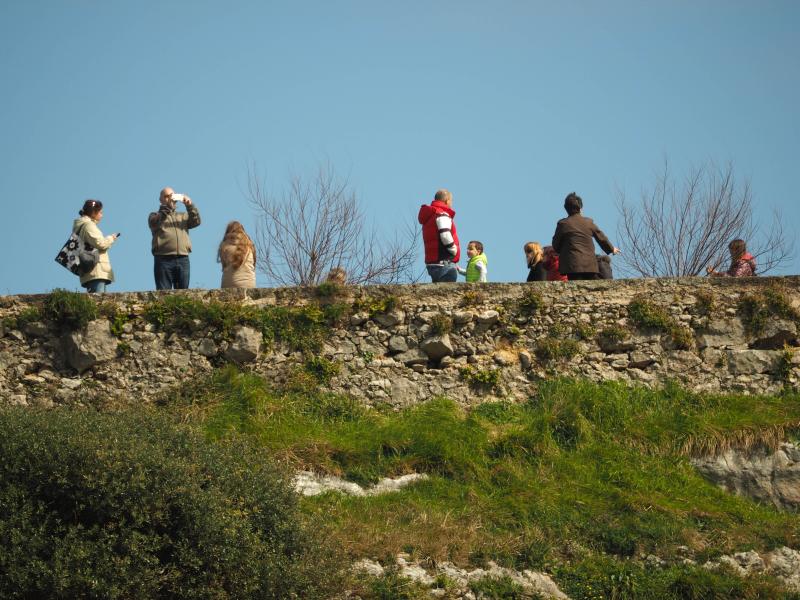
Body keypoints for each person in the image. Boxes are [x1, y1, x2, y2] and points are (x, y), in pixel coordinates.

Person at [552, 192, 619, 280]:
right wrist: (611, 249)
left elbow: (555, 245)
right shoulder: (588, 222)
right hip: (589, 265)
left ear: (566, 209)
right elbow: (601, 238)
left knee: (575, 290)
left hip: (571, 267)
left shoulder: (563, 224)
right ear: (580, 208)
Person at [148, 187, 201, 290]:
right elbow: (155, 222)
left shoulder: (183, 216)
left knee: (183, 294)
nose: (170, 199)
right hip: (163, 259)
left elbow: (196, 221)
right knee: (163, 294)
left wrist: (190, 206)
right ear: (161, 200)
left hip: (183, 258)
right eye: (166, 196)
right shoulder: (154, 216)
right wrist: (166, 208)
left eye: (172, 196)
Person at [73, 199, 119, 293]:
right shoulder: (88, 226)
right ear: (94, 212)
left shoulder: (81, 225)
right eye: (100, 212)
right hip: (96, 270)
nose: (102, 215)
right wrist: (111, 238)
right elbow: (101, 244)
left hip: (89, 270)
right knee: (99, 301)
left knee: (97, 300)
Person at [418, 189, 461, 282]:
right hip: (444, 262)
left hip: (432, 263)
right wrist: (454, 250)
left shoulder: (431, 215)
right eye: (451, 201)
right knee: (448, 290)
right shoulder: (442, 214)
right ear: (447, 201)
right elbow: (445, 234)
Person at [217, 221, 256, 288]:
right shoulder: (250, 246)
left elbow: (224, 266)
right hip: (249, 285)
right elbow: (254, 264)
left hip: (228, 285)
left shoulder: (224, 245)